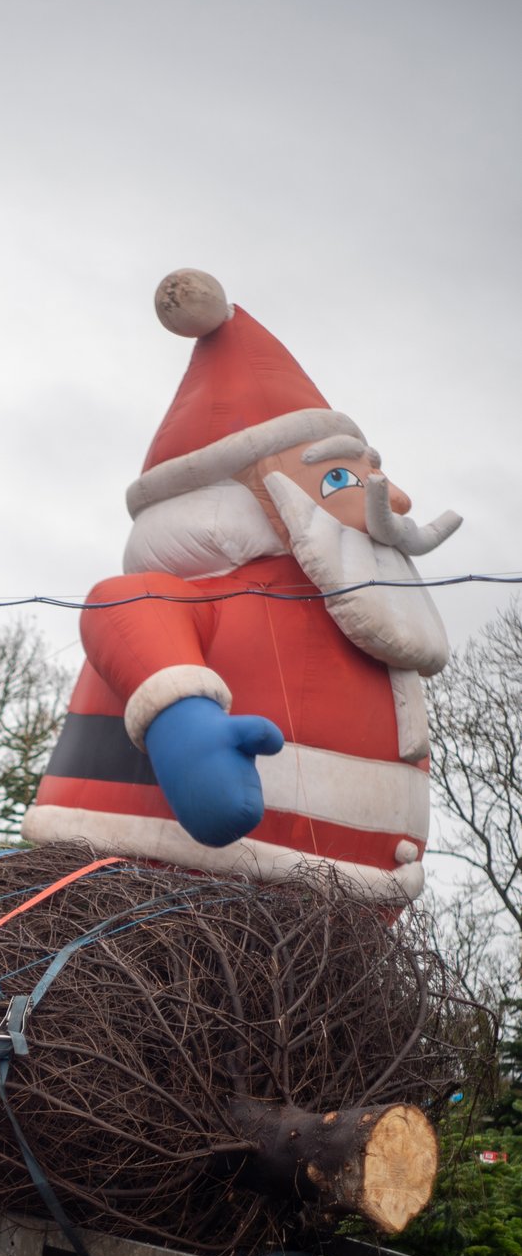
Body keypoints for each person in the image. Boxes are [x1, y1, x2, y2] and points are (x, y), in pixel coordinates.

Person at [24, 268, 461, 907]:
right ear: (250, 497)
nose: (393, 499)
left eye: (379, 474)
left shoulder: (360, 618)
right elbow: (123, 607)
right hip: (173, 888)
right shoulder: (207, 596)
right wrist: (184, 724)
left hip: (344, 919)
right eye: (341, 478)